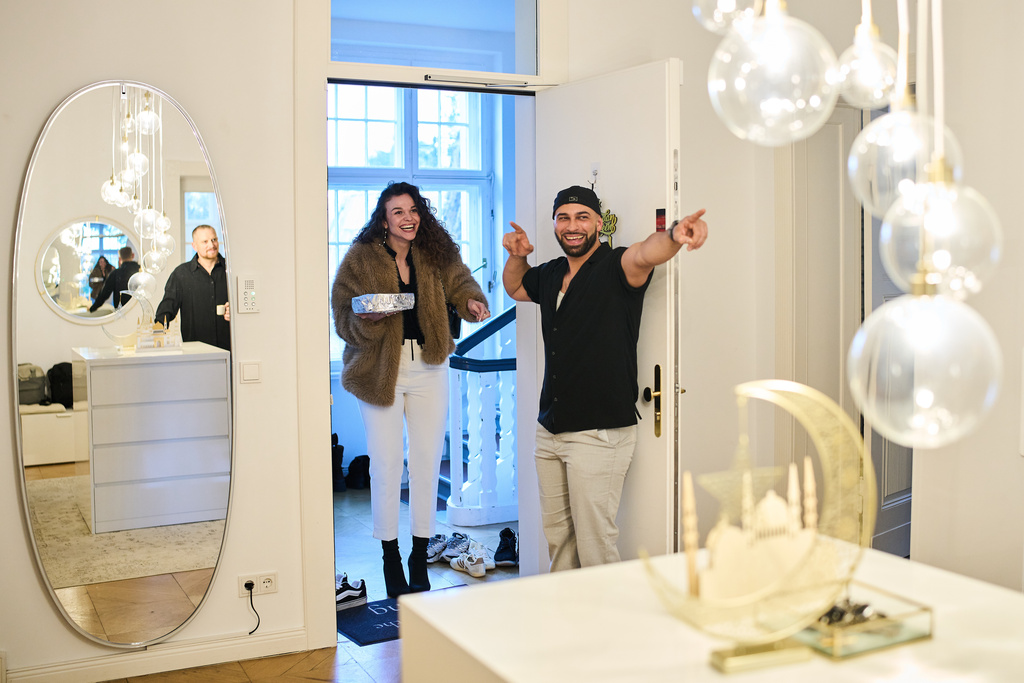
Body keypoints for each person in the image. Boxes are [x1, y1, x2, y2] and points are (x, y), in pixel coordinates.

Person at [502, 185, 708, 572]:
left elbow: (647, 251)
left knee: (596, 545)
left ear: (598, 222)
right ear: (555, 224)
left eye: (582, 217)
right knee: (559, 539)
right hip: (551, 429)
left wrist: (675, 234)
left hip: (599, 434)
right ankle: (569, 622)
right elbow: (515, 286)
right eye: (564, 217)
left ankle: (609, 630)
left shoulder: (617, 266)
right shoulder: (550, 274)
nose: (572, 226)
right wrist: (516, 255)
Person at [331, 181, 490, 598]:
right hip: (379, 368)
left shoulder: (436, 251)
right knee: (386, 467)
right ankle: (390, 557)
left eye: (413, 209)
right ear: (384, 220)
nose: (408, 217)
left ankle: (420, 553)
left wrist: (471, 301)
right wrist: (363, 320)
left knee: (425, 463)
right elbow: (342, 309)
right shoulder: (361, 257)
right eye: (398, 211)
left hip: (430, 366)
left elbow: (461, 283)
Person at [155, 225, 231, 351]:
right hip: (195, 352)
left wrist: (234, 312)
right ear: (194, 246)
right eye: (205, 242)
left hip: (229, 350)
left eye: (214, 240)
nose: (211, 245)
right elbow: (166, 310)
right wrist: (155, 337)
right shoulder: (181, 274)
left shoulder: (231, 270)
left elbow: (244, 307)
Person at [89, 246, 140, 312]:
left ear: (119, 258)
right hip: (137, 310)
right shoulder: (139, 272)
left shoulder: (115, 273)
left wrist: (92, 308)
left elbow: (104, 294)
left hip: (121, 312)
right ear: (132, 255)